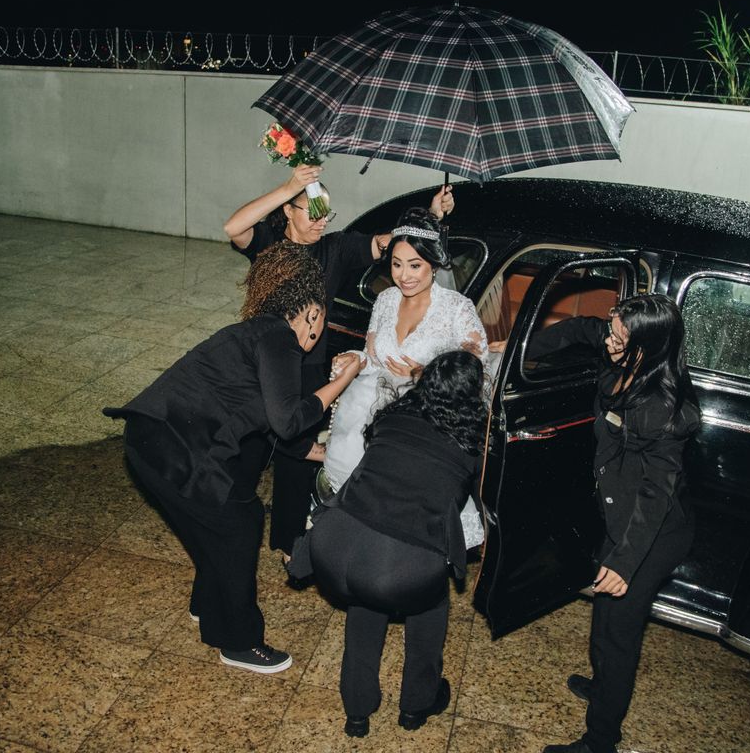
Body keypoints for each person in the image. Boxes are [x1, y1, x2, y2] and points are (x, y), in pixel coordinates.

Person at [103, 243, 363, 675]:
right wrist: (344, 380)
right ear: (312, 312)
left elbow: (265, 414)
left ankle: (208, 609)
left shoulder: (257, 332)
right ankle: (239, 642)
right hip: (177, 450)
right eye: (323, 317)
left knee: (215, 524)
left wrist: (314, 451)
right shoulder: (280, 339)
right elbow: (287, 418)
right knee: (238, 524)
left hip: (149, 438)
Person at [224, 166, 454, 565]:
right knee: (247, 454)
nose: (319, 222)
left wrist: (431, 216)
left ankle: (288, 544)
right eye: (310, 212)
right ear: (289, 211)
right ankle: (230, 544)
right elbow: (234, 226)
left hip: (308, 367)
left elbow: (394, 244)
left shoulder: (336, 248)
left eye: (325, 214)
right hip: (257, 364)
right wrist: (287, 187)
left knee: (294, 465)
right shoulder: (267, 243)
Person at [529, 295, 700, 753]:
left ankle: (601, 739)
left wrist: (625, 562)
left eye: (619, 335)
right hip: (621, 514)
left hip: (651, 533)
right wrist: (515, 349)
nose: (609, 338)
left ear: (644, 347)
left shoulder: (662, 408)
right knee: (604, 617)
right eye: (613, 327)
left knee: (617, 632)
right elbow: (577, 329)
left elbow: (655, 494)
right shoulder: (623, 352)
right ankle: (605, 686)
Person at [305, 350, 487, 737]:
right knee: (429, 599)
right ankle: (417, 705)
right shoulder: (469, 445)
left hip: (332, 545)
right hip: (392, 567)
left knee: (367, 597)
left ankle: (357, 710)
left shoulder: (389, 419)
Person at [322, 207, 488, 547]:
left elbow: (473, 371)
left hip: (423, 424)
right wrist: (354, 358)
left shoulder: (457, 308)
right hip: (371, 414)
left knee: (403, 518)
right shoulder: (384, 300)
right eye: (396, 265)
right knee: (361, 505)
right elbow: (372, 357)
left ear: (435, 264)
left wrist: (422, 374)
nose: (404, 276)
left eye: (415, 265)